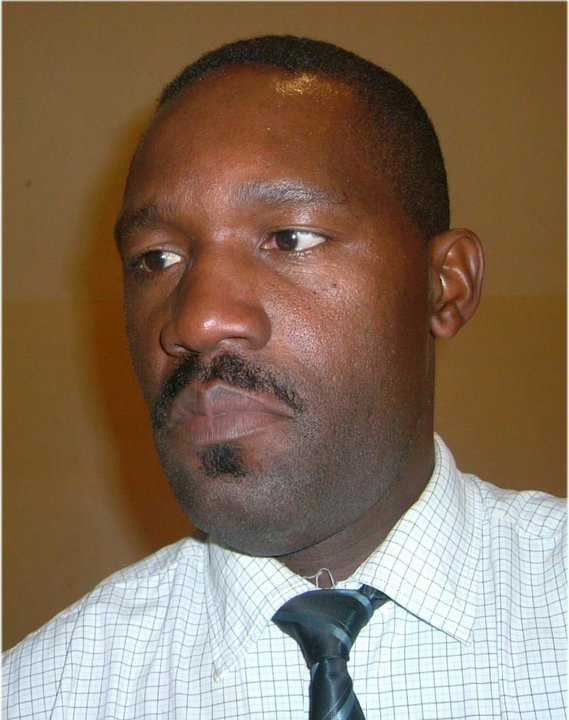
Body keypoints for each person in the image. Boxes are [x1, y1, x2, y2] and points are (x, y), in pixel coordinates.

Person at [3, 35, 565, 720]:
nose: (196, 321)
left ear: (444, 287)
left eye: (290, 238)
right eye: (156, 258)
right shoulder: (44, 695)